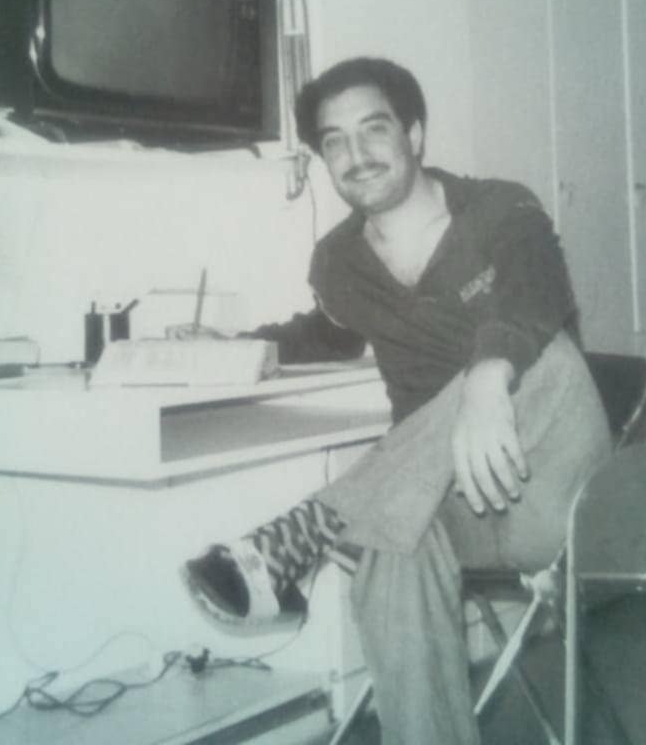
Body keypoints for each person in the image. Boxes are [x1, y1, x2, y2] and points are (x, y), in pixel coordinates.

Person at [182, 57, 611, 744]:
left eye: (373, 129)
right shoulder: (338, 263)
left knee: (548, 355)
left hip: (557, 492)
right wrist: (228, 343)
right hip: (448, 500)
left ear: (414, 135)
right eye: (335, 141)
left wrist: (486, 378)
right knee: (392, 545)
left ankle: (315, 526)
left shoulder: (499, 209)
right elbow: (325, 334)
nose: (356, 154)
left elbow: (535, 293)